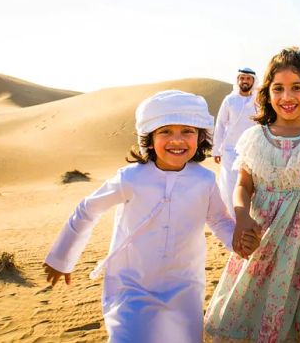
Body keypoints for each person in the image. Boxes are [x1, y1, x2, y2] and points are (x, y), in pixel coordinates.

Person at [42, 90, 260, 343]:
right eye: (165, 131)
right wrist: (62, 258)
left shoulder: (205, 180)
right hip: (131, 286)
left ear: (201, 137)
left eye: (187, 131)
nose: (177, 140)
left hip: (185, 288)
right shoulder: (130, 178)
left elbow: (219, 220)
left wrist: (239, 244)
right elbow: (88, 210)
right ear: (149, 137)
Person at [204, 47, 300, 342]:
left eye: (297, 87)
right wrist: (241, 216)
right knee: (248, 299)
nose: (287, 97)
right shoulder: (254, 138)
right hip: (262, 234)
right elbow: (244, 185)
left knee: (297, 310)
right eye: (279, 88)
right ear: (267, 93)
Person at [213, 67, 258, 217]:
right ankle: (235, 219)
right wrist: (216, 150)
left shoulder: (258, 101)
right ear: (238, 80)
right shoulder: (229, 100)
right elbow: (220, 124)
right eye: (242, 78)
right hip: (230, 151)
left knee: (252, 187)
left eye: (248, 78)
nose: (245, 81)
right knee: (232, 187)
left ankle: (251, 219)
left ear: (253, 81)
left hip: (252, 151)